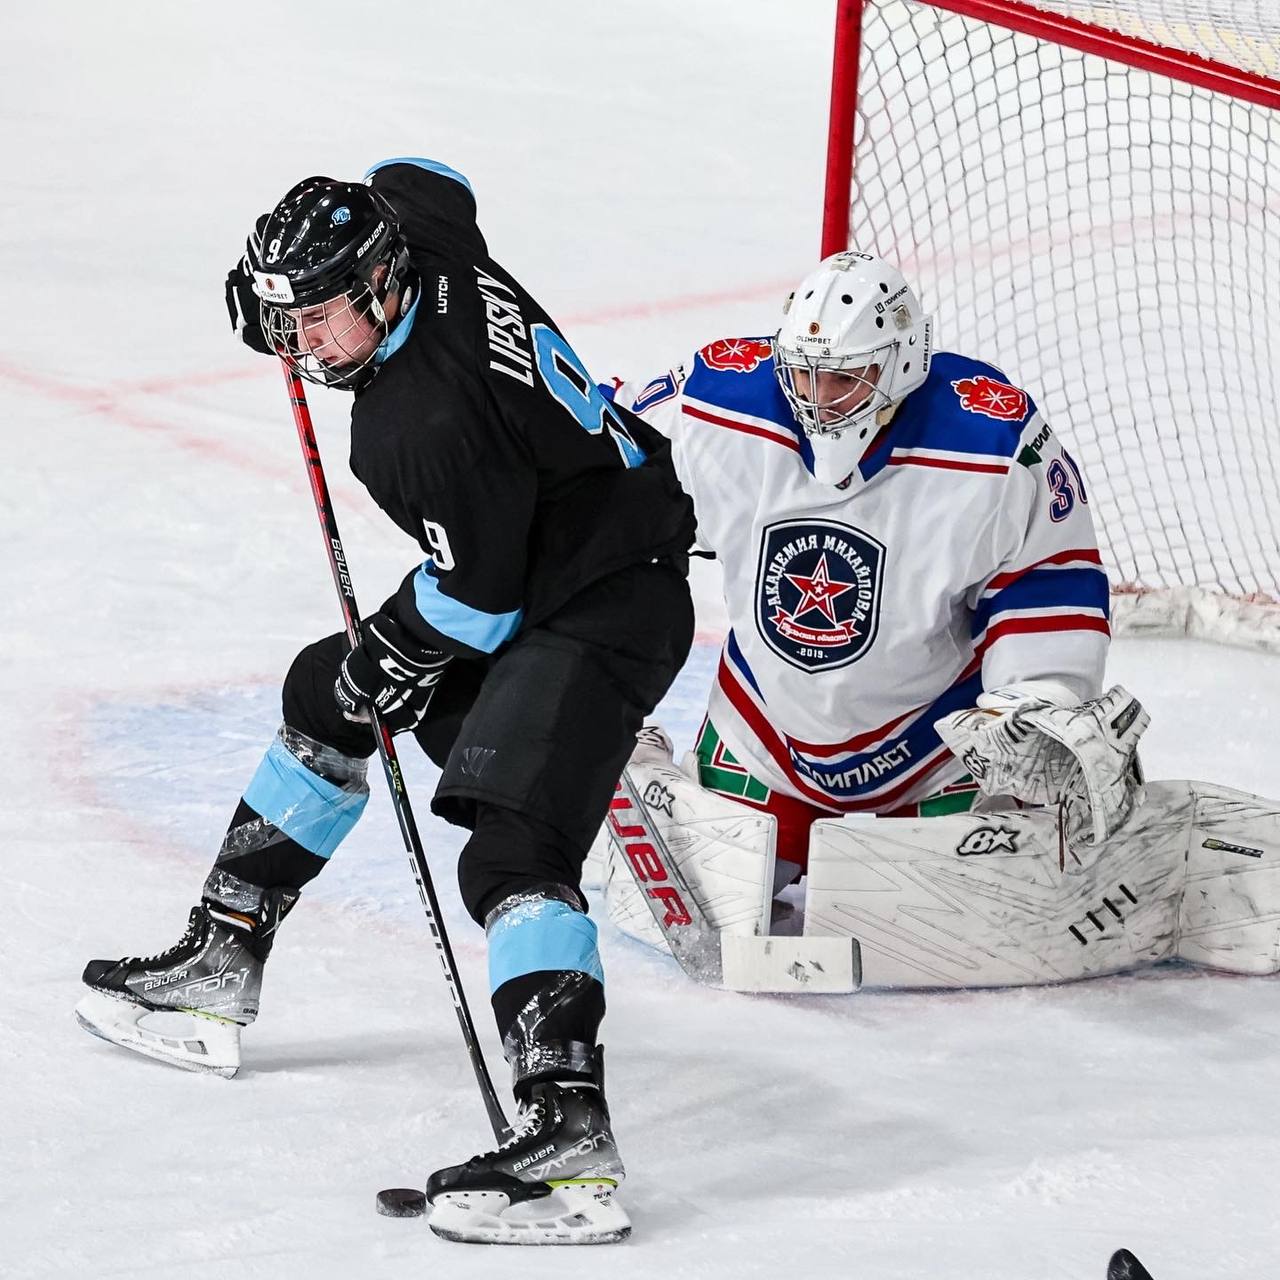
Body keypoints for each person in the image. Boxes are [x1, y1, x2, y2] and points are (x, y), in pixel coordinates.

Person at [75, 158, 696, 1245]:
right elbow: (423, 175)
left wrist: (396, 650)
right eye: (290, 320)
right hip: (545, 540)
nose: (304, 345)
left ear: (380, 283)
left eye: (320, 320)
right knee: (323, 694)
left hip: (604, 594)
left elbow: (478, 601)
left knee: (510, 852)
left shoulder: (417, 423)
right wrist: (290, 279)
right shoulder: (418, 230)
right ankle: (222, 954)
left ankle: (568, 1132)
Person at [596, 250, 1280, 990]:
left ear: (899, 366)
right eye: (803, 374)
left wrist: (1037, 702)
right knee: (706, 903)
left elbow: (1046, 582)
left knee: (965, 926)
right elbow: (599, 445)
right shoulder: (717, 402)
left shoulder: (993, 441)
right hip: (764, 737)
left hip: (931, 756)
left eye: (844, 378)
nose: (818, 399)